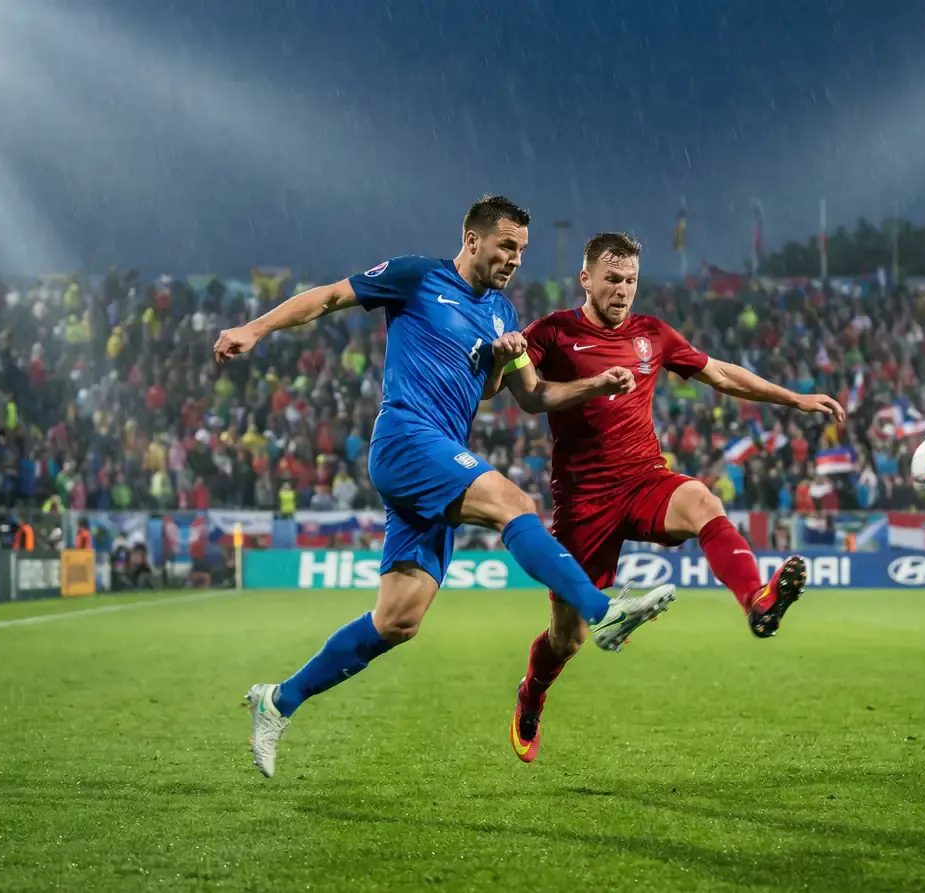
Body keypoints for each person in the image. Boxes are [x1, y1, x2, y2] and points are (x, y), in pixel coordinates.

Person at [213, 195, 678, 779]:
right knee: (514, 502)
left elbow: (526, 396)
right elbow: (329, 296)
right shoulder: (417, 276)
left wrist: (582, 384)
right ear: (473, 237)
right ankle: (602, 609)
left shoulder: (504, 314)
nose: (514, 258)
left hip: (435, 459)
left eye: (522, 250)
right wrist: (254, 329)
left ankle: (277, 700)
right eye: (506, 245)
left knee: (398, 620)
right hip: (407, 437)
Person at [493, 232, 845, 763]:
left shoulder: (651, 335)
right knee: (567, 640)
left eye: (631, 280)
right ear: (585, 279)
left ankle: (757, 600)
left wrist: (792, 398)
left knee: (703, 501)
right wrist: (506, 355)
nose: (623, 291)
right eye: (612, 279)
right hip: (585, 503)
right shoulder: (553, 333)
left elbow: (720, 372)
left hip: (643, 481)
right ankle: (531, 696)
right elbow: (510, 390)